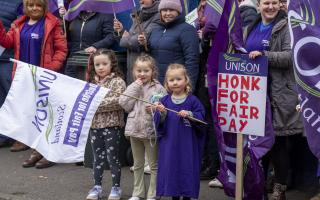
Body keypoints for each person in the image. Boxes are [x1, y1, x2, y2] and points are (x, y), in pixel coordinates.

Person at [243, 0, 304, 199]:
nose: (270, 7)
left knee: (277, 142)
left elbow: (290, 56)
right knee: (258, 142)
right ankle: (259, 187)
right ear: (258, 6)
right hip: (253, 94)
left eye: (274, 3)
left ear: (280, 5)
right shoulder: (250, 26)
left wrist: (264, 56)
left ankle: (279, 190)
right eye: (266, 3)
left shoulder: (286, 26)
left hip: (277, 93)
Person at [0, 0, 67, 168]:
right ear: (25, 8)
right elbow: (7, 42)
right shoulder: (18, 24)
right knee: (29, 111)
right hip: (24, 77)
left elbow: (61, 49)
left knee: (45, 113)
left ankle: (46, 153)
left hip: (44, 76)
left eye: (38, 5)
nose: (34, 8)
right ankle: (36, 149)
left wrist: (51, 68)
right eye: (30, 5)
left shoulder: (52, 23)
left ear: (44, 7)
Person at [153, 64, 205, 200]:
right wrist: (162, 113)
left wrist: (190, 114)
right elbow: (158, 123)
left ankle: (187, 196)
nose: (175, 82)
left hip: (187, 145)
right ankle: (174, 196)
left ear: (186, 80)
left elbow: (201, 119)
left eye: (178, 79)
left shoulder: (192, 100)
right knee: (172, 171)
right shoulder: (164, 101)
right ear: (167, 83)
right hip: (169, 145)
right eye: (171, 80)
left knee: (186, 170)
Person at [119, 54, 166, 200]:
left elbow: (164, 113)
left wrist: (156, 110)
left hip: (150, 132)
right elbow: (124, 104)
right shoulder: (133, 86)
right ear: (134, 71)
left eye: (146, 70)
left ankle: (153, 194)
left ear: (153, 71)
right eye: (139, 70)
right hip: (134, 130)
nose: (142, 74)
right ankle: (137, 193)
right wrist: (135, 87)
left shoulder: (159, 88)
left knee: (153, 166)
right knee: (137, 165)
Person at [85, 49, 126, 200]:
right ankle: (97, 187)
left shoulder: (118, 82)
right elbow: (85, 102)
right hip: (94, 126)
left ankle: (116, 187)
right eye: (97, 64)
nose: (100, 67)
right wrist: (95, 104)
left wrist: (94, 104)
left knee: (113, 157)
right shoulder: (90, 82)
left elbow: (118, 102)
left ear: (112, 64)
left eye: (104, 63)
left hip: (112, 125)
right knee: (97, 158)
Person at [138, 0, 199, 88]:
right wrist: (143, 44)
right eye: (164, 10)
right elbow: (149, 56)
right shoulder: (156, 30)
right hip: (156, 85)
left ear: (178, 12)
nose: (167, 13)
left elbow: (192, 60)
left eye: (171, 10)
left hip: (176, 85)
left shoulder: (187, 30)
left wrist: (189, 87)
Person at [59, 7, 115, 79]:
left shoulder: (105, 14)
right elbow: (65, 35)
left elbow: (111, 36)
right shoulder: (74, 14)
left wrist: (96, 46)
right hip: (73, 59)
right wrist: (64, 18)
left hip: (93, 61)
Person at [114, 0, 160, 84]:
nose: (141, 1)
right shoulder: (139, 15)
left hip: (145, 70)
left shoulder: (158, 15)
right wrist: (121, 31)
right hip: (133, 67)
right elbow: (131, 38)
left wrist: (125, 39)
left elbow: (137, 41)